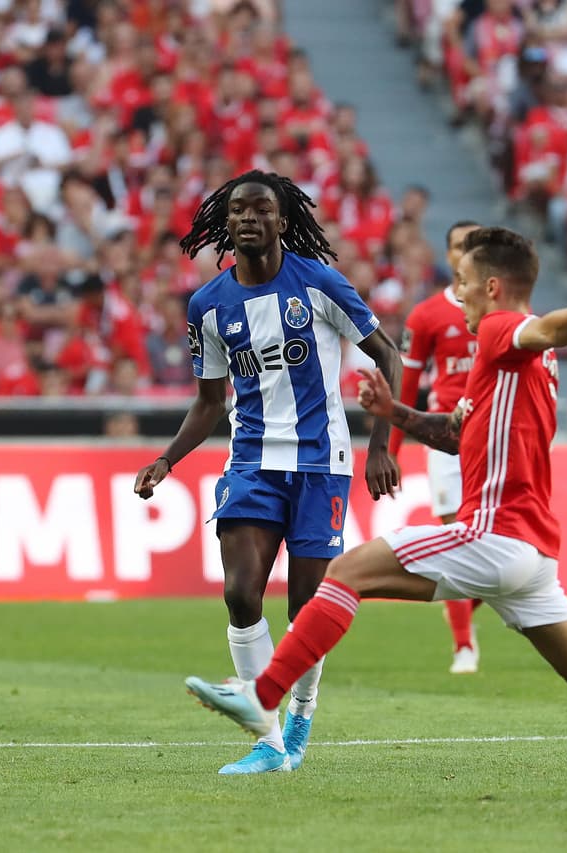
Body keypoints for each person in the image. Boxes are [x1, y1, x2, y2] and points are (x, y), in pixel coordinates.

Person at [185, 227, 567, 798]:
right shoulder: (508, 364)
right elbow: (458, 435)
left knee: (345, 572)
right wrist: (395, 413)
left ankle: (263, 698)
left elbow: (546, 328)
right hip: (532, 552)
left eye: (462, 283)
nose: (456, 296)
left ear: (492, 286)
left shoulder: (505, 329)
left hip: (492, 532)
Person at [134, 171, 401, 774]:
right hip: (251, 461)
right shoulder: (207, 305)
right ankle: (268, 739)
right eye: (237, 211)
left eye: (261, 209)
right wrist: (166, 459)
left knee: (306, 612)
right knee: (239, 592)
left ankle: (302, 712)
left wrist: (382, 444)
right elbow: (209, 402)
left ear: (282, 220)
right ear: (224, 223)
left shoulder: (318, 283)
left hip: (320, 463)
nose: (248, 218)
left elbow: (388, 353)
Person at [391, 219, 486, 674]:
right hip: (447, 438)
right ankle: (464, 646)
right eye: (460, 245)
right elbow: (407, 385)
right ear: (448, 255)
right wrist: (391, 449)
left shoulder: (505, 310)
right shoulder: (427, 315)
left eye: (476, 244)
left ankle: (466, 608)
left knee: (500, 545)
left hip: (497, 437)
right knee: (457, 537)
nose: (467, 251)